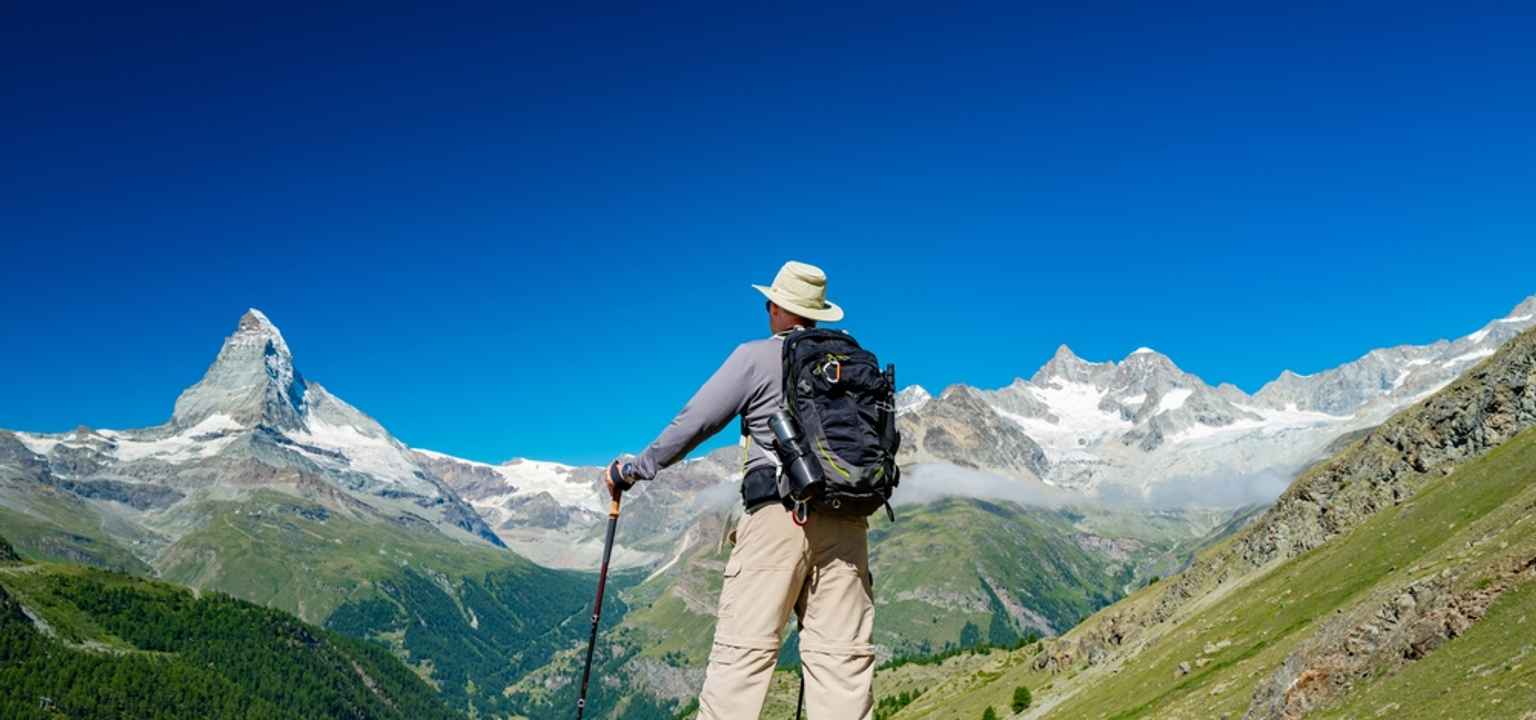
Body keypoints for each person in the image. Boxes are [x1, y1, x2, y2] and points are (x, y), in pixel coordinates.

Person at [606, 260, 875, 719]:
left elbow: (695, 421)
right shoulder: (854, 365)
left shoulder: (755, 356)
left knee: (743, 660)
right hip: (849, 525)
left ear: (777, 308)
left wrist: (635, 468)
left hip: (780, 518)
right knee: (842, 667)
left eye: (770, 302)